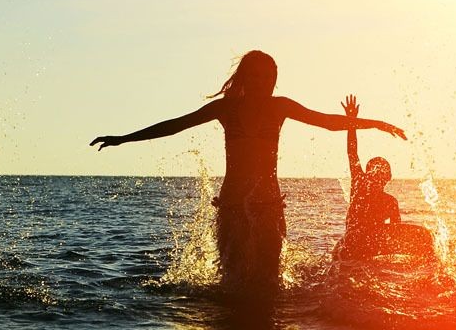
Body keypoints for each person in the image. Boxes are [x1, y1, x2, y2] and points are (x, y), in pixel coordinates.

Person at [91, 50, 406, 295]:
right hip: (231, 206)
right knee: (232, 282)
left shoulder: (280, 107)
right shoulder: (225, 109)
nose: (263, 82)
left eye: (269, 76)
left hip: (268, 206)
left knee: (268, 284)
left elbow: (327, 121)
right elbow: (176, 125)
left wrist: (376, 123)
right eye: (256, 76)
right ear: (245, 78)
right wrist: (123, 139)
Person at [333, 94, 435, 263]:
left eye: (381, 174)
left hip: (369, 244)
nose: (376, 178)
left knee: (425, 236)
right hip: (352, 243)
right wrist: (351, 122)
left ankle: (430, 267)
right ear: (367, 174)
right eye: (374, 173)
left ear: (387, 178)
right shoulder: (359, 184)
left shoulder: (390, 202)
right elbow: (352, 151)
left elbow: (396, 233)